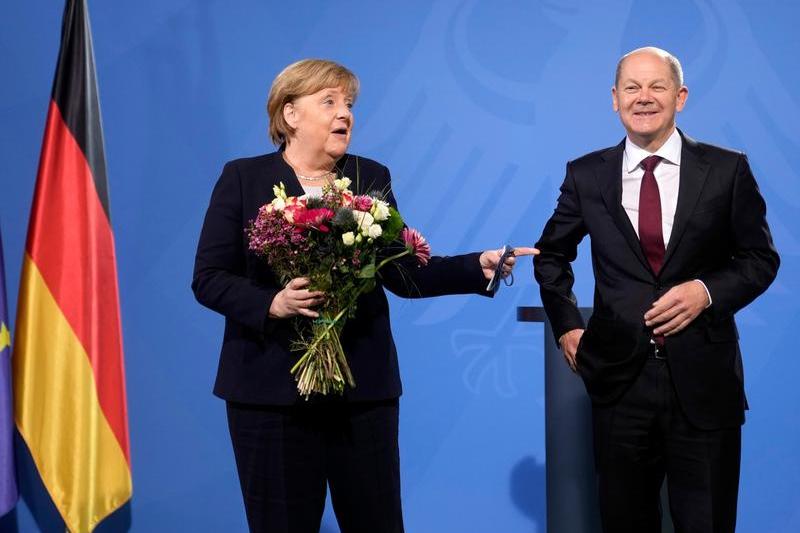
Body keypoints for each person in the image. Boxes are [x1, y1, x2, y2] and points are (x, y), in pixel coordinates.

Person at [192, 58, 536, 533]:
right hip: (269, 396)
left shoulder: (369, 176)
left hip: (362, 393)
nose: (345, 114)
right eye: (329, 101)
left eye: (349, 104)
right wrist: (272, 303)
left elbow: (401, 272)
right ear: (290, 114)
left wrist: (475, 267)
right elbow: (209, 276)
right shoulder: (242, 179)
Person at [533, 47, 779, 532]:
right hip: (619, 385)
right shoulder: (586, 175)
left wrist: (706, 291)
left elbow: (760, 259)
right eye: (631, 87)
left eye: (657, 87)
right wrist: (566, 326)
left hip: (704, 383)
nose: (643, 98)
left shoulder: (728, 169)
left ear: (680, 97)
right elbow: (551, 257)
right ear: (614, 99)